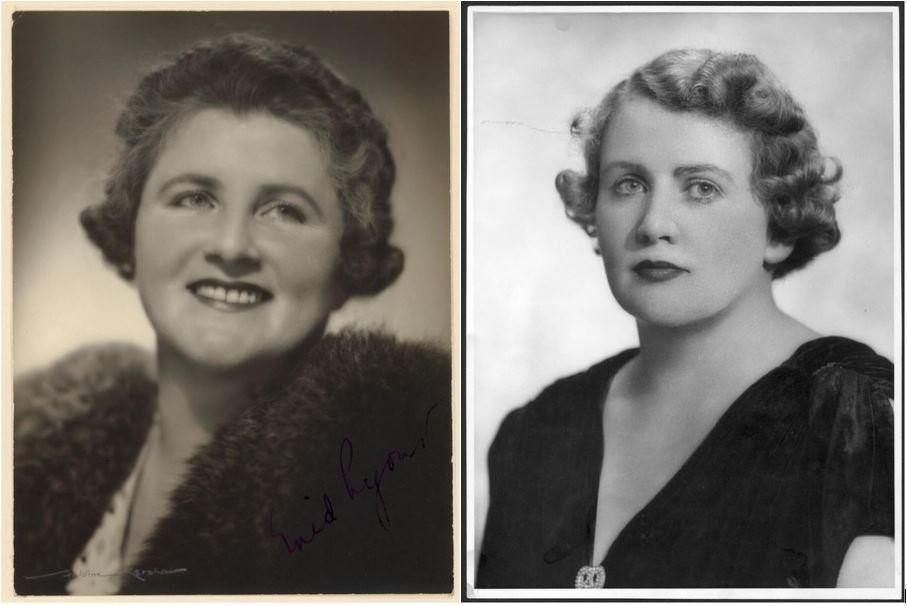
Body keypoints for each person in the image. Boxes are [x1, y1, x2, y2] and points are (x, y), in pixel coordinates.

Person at [14, 34, 452, 595]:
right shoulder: (29, 461)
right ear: (133, 225)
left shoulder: (400, 502)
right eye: (195, 198)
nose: (232, 246)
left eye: (284, 211)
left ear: (348, 261)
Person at [477, 49, 893, 589]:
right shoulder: (537, 430)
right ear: (592, 208)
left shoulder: (856, 419)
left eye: (702, 187)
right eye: (628, 184)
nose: (654, 224)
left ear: (779, 226)